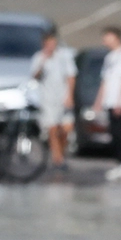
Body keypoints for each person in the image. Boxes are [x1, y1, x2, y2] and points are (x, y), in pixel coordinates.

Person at [93, 26, 121, 182]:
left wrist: (120, 102)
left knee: (120, 133)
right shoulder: (110, 57)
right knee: (113, 134)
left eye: (107, 37)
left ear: (116, 38)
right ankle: (120, 163)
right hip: (110, 101)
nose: (104, 40)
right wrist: (98, 101)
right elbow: (105, 81)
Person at [30, 31, 76, 172]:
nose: (51, 46)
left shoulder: (64, 56)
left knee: (66, 129)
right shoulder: (38, 57)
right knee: (53, 128)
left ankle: (60, 153)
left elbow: (71, 76)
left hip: (62, 97)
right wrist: (42, 62)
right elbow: (35, 76)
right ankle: (57, 159)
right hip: (47, 99)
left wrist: (69, 96)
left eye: (53, 43)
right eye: (48, 43)